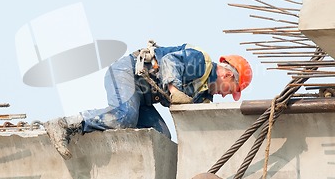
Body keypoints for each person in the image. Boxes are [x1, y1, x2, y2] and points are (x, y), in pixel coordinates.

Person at [44, 42, 252, 160]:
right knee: (125, 116)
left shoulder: (204, 96)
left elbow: (196, 124)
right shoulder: (202, 63)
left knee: (161, 138)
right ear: (227, 76)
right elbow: (171, 61)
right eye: (231, 90)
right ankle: (67, 123)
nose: (226, 96)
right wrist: (173, 89)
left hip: (143, 97)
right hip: (129, 73)